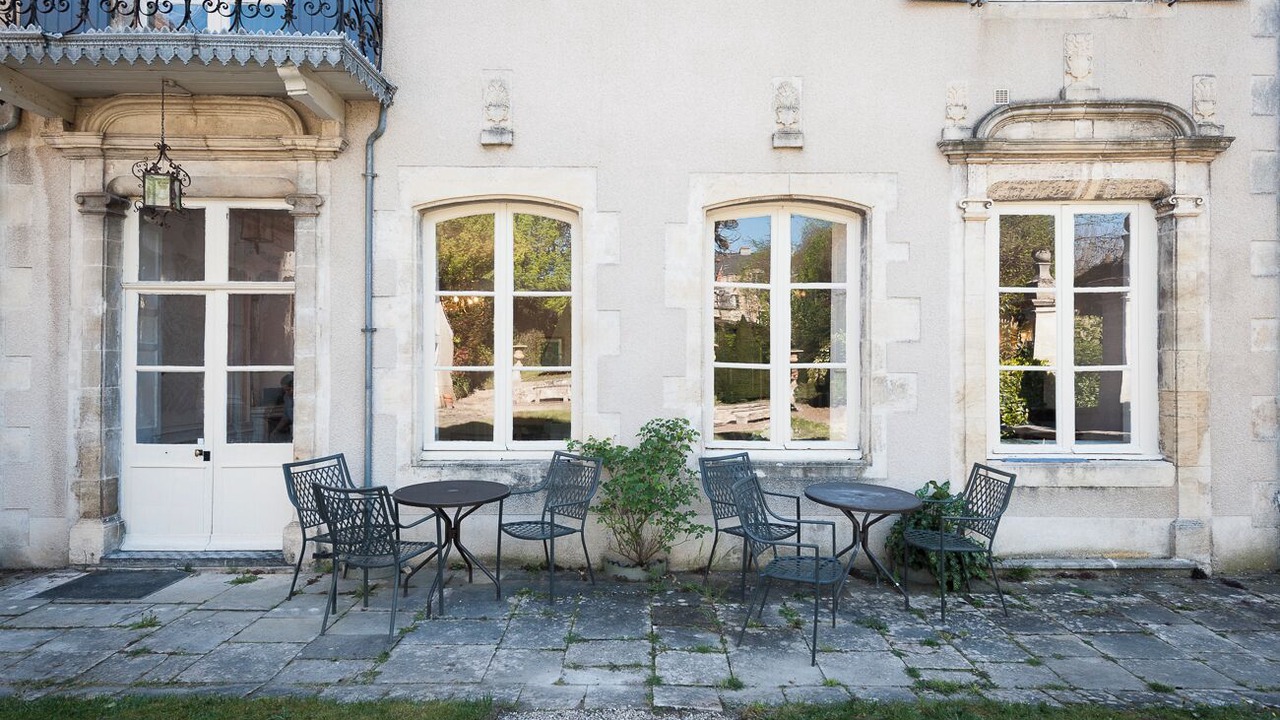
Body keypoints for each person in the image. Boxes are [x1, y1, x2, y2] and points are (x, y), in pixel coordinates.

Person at [271, 373, 293, 442]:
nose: (287, 392)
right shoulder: (286, 397)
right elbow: (286, 417)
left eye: (288, 390)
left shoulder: (300, 397)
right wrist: (276, 431)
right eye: (285, 390)